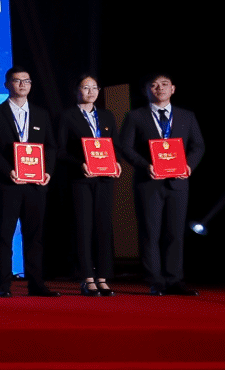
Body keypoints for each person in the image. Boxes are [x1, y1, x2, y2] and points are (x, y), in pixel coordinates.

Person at [118, 73, 207, 296]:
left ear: (173, 89)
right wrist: (144, 165)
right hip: (148, 183)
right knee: (150, 233)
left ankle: (174, 279)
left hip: (179, 183)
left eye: (164, 84)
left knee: (175, 233)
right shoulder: (135, 116)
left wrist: (189, 165)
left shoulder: (187, 116)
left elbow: (198, 145)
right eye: (154, 85)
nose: (160, 88)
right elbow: (125, 147)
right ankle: (155, 281)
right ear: (146, 90)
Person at [0, 67, 56, 297]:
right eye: (17, 80)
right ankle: (3, 285)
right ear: (7, 84)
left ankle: (36, 284)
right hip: (7, 183)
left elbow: (50, 147)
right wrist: (8, 171)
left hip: (35, 184)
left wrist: (47, 172)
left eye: (27, 81)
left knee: (34, 235)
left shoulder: (41, 114)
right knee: (5, 234)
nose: (22, 85)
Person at [59, 74, 118, 296]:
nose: (91, 92)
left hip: (104, 179)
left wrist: (117, 163)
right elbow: (60, 150)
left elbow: (115, 145)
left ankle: (103, 277)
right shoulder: (67, 116)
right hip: (80, 179)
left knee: (104, 227)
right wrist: (80, 164)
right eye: (86, 87)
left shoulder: (107, 115)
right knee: (83, 227)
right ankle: (87, 278)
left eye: (94, 88)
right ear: (77, 91)